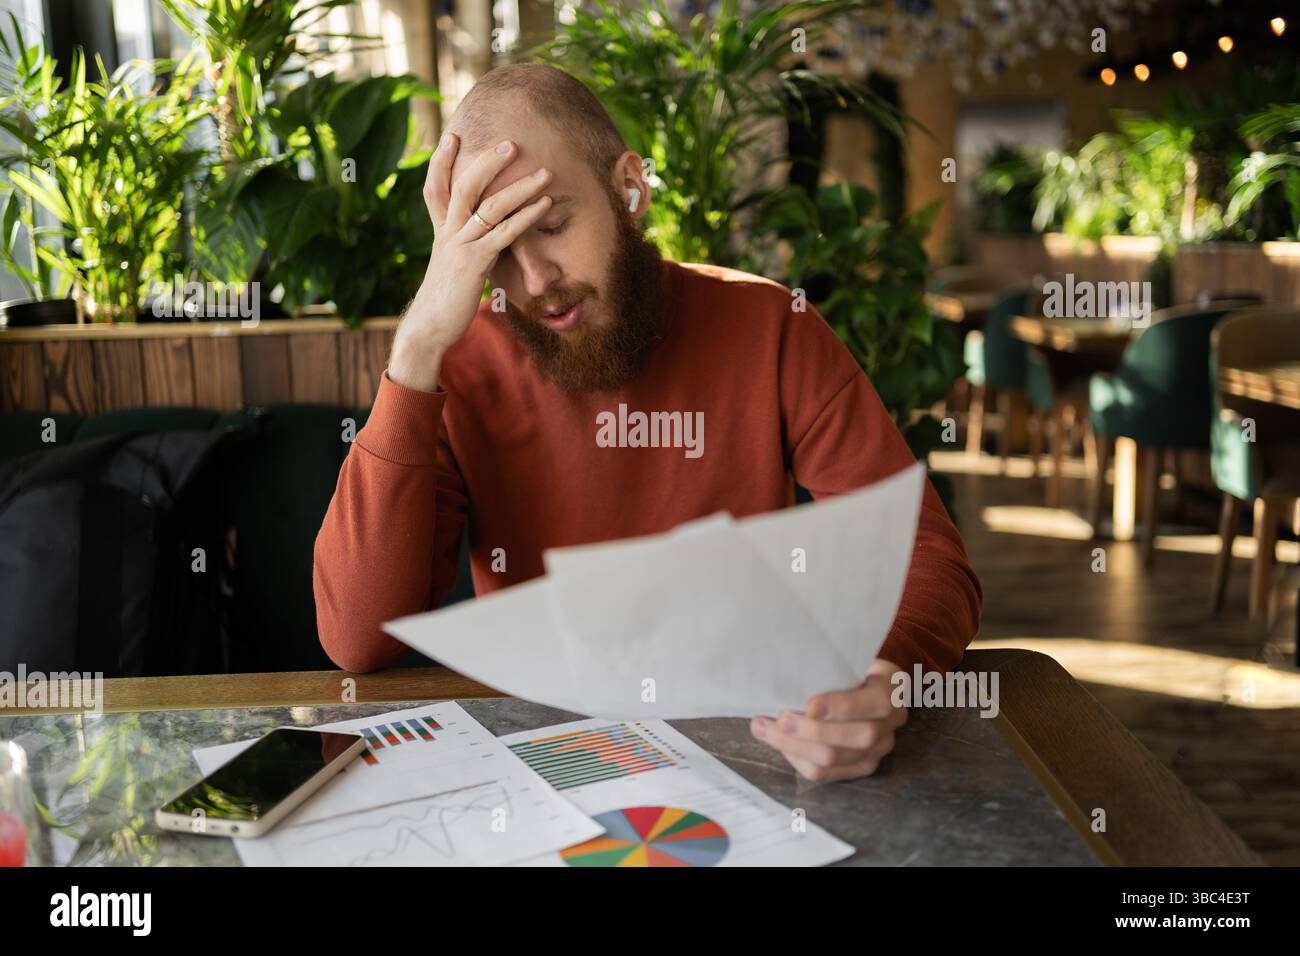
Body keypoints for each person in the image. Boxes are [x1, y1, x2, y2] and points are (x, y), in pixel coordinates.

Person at [314, 63, 982, 782]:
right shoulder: (458, 364)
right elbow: (357, 639)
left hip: (747, 745)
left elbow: (926, 553)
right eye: (496, 251)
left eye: (553, 225)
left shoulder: (769, 326)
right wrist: (415, 352)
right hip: (544, 761)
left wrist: (882, 680)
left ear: (628, 188)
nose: (536, 282)